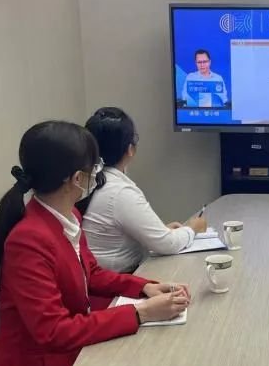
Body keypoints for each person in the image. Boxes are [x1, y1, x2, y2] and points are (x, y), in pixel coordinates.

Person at [0, 121, 191, 366]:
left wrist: (145, 288)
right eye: (94, 168)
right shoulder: (28, 241)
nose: (97, 174)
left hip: (61, 359)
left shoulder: (67, 216)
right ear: (76, 179)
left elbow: (92, 274)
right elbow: (54, 331)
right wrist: (140, 313)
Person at [80, 107, 207, 272]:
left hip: (97, 275)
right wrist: (193, 228)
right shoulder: (119, 193)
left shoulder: (86, 179)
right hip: (119, 278)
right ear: (130, 149)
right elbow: (168, 244)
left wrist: (158, 231)